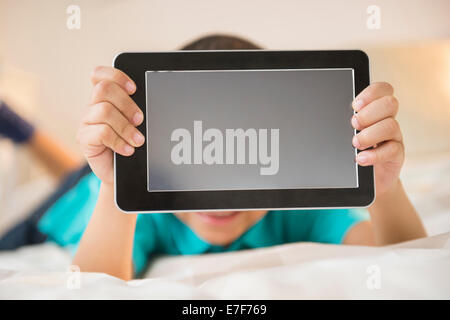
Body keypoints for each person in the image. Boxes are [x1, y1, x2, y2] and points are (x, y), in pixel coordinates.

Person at [1, 34, 427, 281]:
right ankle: (24, 132)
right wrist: (114, 186)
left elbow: (396, 256)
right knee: (70, 183)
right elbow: (99, 282)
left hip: (120, 171)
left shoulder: (301, 208)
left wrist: (384, 188)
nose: (221, 201)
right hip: (94, 189)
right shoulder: (142, 205)